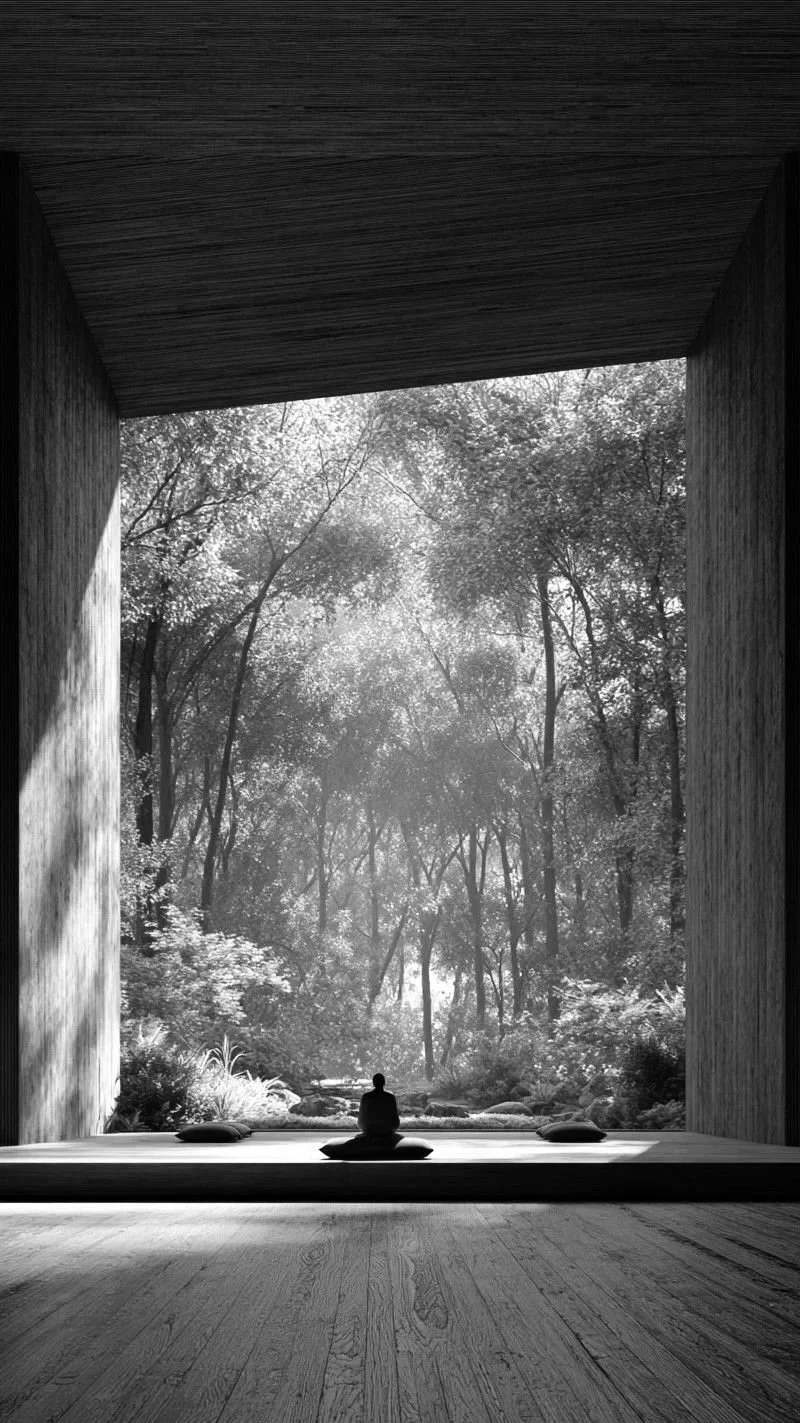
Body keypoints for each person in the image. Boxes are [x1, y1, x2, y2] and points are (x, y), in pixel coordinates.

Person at [357, 1072, 401, 1139]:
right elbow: (396, 1122)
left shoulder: (366, 1097)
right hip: (387, 1131)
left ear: (373, 1083)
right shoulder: (390, 1097)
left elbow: (360, 1122)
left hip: (369, 1131)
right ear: (384, 1083)